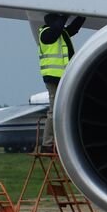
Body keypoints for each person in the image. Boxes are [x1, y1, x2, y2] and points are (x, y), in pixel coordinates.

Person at [37, 13, 85, 147]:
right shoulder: (45, 34)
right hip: (53, 78)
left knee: (64, 110)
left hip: (64, 77)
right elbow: (57, 29)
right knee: (53, 112)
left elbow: (73, 28)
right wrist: (65, 15)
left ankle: (59, 141)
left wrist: (82, 15)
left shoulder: (61, 33)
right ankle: (47, 143)